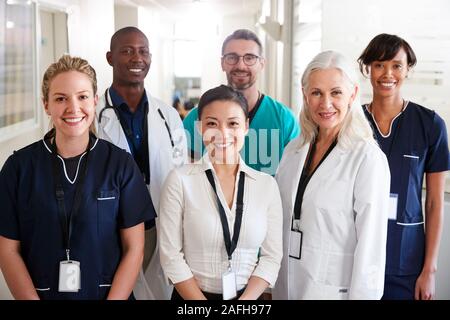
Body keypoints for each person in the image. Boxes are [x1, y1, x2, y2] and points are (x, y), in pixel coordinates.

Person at [0, 55, 155, 299]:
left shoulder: (120, 164)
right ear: (46, 105)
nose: (73, 108)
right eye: (61, 98)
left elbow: (134, 248)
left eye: (82, 97)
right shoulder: (18, 168)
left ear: (94, 101)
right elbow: (7, 250)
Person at [272, 51, 391, 300]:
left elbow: (371, 249)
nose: (325, 104)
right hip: (287, 285)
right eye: (316, 93)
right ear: (305, 95)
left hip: (331, 291)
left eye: (336, 92)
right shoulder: (294, 150)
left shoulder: (367, 158)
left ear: (353, 95)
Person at [159, 85, 283, 300]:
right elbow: (170, 256)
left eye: (233, 124)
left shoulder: (266, 185)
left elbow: (272, 257)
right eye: (212, 124)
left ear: (246, 126)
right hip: (192, 298)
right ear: (199, 128)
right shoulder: (180, 181)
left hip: (247, 298)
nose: (222, 133)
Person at [95, 26, 187, 300]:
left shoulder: (168, 115)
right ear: (110, 58)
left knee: (157, 287)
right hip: (112, 223)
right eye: (127, 51)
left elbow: (182, 174)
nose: (137, 58)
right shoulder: (93, 116)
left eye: (143, 51)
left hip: (161, 222)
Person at [358, 34, 450, 300]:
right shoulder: (352, 123)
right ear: (368, 69)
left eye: (397, 65)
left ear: (408, 69)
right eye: (379, 64)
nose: (388, 73)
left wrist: (429, 270)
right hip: (357, 255)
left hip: (406, 261)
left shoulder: (430, 125)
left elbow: (433, 203)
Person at [183, 29, 299, 175]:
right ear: (222, 63)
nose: (241, 65)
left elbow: (294, 179)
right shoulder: (196, 118)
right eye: (232, 57)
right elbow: (187, 176)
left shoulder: (284, 119)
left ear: (262, 64)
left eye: (250, 58)